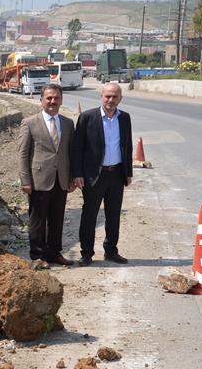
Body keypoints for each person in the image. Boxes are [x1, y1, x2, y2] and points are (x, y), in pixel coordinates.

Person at [72, 83, 133, 267]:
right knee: (89, 215)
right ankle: (87, 253)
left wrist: (128, 172)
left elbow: (127, 146)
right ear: (101, 96)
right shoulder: (87, 117)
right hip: (93, 176)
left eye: (115, 97)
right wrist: (78, 174)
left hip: (116, 174)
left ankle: (111, 250)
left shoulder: (124, 118)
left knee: (113, 215)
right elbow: (77, 149)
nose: (110, 100)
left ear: (120, 98)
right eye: (107, 96)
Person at [18, 84, 76, 270]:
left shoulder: (67, 124)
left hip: (61, 179)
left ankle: (54, 253)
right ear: (41, 100)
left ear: (61, 100)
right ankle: (37, 255)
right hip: (38, 180)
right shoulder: (30, 123)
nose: (52, 102)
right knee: (38, 220)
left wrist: (72, 177)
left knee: (57, 219)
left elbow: (70, 152)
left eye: (56, 98)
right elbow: (22, 154)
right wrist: (25, 180)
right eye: (49, 98)